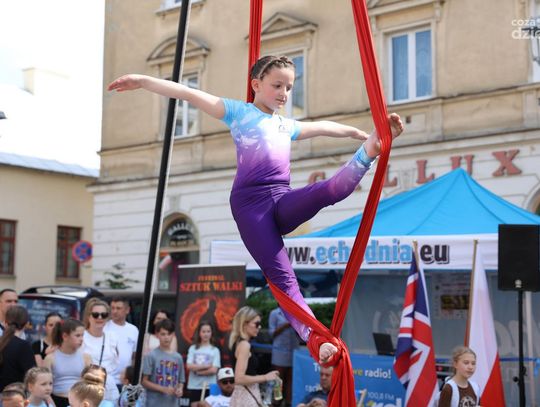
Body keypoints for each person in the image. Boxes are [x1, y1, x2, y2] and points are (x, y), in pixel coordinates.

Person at [108, 55, 404, 363]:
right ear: (256, 84)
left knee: (329, 191)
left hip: (281, 199)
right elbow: (188, 93)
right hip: (251, 207)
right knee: (282, 276)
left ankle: (368, 151)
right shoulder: (238, 112)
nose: (284, 93)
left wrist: (356, 133)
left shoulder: (285, 125)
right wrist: (142, 81)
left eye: (289, 87)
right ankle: (316, 339)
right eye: (277, 85)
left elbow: (322, 127)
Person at [228, 306, 279, 406]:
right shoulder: (244, 345)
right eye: (257, 324)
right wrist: (265, 377)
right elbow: (239, 378)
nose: (259, 327)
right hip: (246, 396)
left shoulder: (238, 343)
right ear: (245, 324)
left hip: (244, 394)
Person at [43, 318, 92, 407]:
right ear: (65, 336)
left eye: (82, 335)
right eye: (77, 335)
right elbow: (44, 386)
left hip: (79, 401)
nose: (81, 339)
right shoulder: (50, 358)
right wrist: (52, 405)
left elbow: (90, 385)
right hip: (57, 400)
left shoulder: (86, 358)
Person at [81, 299, 119, 403]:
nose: (100, 318)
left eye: (104, 315)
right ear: (88, 316)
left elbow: (115, 362)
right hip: (88, 387)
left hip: (109, 387)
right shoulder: (82, 337)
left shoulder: (112, 337)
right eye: (95, 314)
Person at [141, 319, 185, 407]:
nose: (166, 337)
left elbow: (181, 381)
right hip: (154, 403)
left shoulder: (178, 357)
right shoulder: (151, 355)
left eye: (169, 334)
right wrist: (163, 389)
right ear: (157, 335)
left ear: (173, 335)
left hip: (173, 403)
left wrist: (180, 389)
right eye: (163, 334)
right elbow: (144, 381)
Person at [104, 297, 138, 391]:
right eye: (112, 308)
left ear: (127, 310)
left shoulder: (133, 330)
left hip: (125, 382)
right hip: (106, 381)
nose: (114, 311)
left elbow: (134, 356)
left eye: (118, 308)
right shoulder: (104, 327)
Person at [0, 306, 36, 391]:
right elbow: (32, 375)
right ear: (26, 324)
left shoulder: (3, 342)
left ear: (5, 323)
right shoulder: (23, 346)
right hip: (14, 394)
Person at [268, 306, 299, 406]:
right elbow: (271, 333)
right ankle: (276, 402)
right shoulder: (274, 313)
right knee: (278, 379)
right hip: (279, 353)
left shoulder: (295, 312)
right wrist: (286, 325)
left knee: (291, 379)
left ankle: (289, 402)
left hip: (293, 352)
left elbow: (301, 333)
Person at [186, 321, 221, 406]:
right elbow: (189, 366)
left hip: (210, 386)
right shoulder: (193, 348)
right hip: (194, 386)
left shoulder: (215, 350)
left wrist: (198, 372)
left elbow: (214, 370)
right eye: (203, 331)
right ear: (199, 333)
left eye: (208, 331)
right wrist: (206, 366)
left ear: (211, 333)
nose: (206, 334)